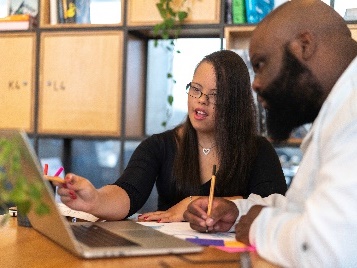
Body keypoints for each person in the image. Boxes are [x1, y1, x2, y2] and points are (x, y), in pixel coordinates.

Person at [183, 0, 357, 267]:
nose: (255, 84)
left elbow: (324, 250)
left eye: (261, 64)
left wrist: (259, 226)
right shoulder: (341, 108)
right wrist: (239, 213)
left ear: (304, 46)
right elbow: (302, 208)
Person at [55, 50, 287, 223]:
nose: (201, 100)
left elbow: (275, 208)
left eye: (214, 95)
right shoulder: (159, 146)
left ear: (235, 104)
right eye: (196, 89)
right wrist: (94, 199)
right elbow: (127, 193)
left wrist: (194, 204)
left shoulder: (259, 151)